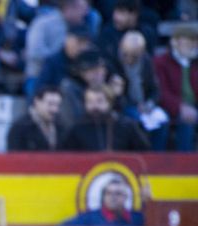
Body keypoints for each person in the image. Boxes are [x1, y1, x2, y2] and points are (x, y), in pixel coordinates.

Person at [109, 30, 165, 149]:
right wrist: (134, 106)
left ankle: (158, 157)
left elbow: (155, 90)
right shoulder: (112, 62)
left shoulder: (146, 62)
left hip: (145, 106)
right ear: (121, 47)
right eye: (126, 54)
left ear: (141, 52)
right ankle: (144, 155)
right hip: (124, 105)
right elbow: (114, 96)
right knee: (137, 120)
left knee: (163, 122)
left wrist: (149, 104)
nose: (129, 59)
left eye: (134, 56)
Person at [24, 0, 92, 89]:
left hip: (68, 76)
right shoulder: (43, 23)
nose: (85, 13)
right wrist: (58, 58)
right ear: (69, 9)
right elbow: (35, 53)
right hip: (38, 75)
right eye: (82, 9)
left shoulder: (81, 26)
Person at [62, 84, 149, 151]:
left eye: (99, 101)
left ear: (109, 103)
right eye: (90, 102)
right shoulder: (77, 129)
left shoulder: (126, 126)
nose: (94, 106)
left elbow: (144, 152)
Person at [153, 24, 198, 152]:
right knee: (183, 121)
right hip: (169, 107)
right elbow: (161, 91)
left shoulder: (195, 64)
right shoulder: (161, 62)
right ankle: (182, 163)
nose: (193, 45)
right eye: (189, 41)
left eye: (195, 41)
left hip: (193, 107)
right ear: (175, 42)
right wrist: (180, 107)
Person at [61, 177, 143, 226]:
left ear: (125, 197)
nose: (113, 197)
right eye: (108, 193)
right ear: (103, 197)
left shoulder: (137, 219)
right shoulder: (88, 218)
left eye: (118, 194)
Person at [6, 85, 63, 151]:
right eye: (50, 104)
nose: (54, 109)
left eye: (57, 105)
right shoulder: (19, 128)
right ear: (37, 101)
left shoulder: (60, 127)